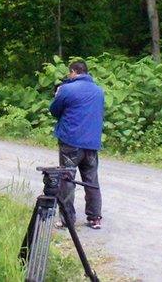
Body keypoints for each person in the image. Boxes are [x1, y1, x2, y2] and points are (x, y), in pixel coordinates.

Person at [50, 60, 105, 229]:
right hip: (92, 142)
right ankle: (94, 217)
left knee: (67, 179)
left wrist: (57, 95)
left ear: (73, 72)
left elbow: (54, 110)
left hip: (70, 141)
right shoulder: (99, 91)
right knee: (91, 179)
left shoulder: (66, 89)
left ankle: (67, 219)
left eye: (69, 73)